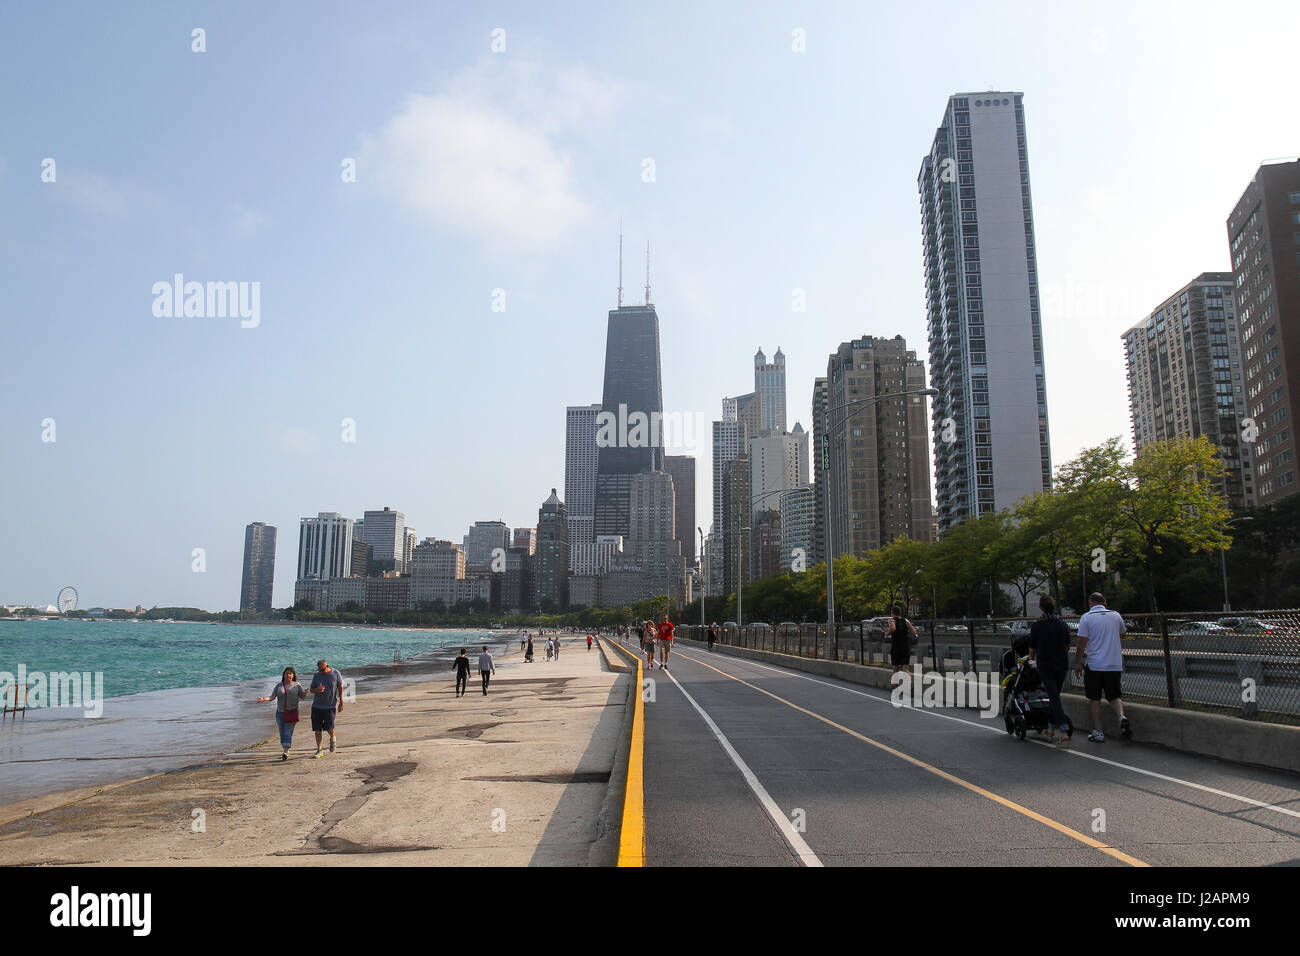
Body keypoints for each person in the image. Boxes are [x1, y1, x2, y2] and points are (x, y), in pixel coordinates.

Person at [1075, 592, 1130, 743]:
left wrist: (1077, 662)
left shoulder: (1087, 617)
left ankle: (1099, 732)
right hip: (1114, 663)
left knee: (1094, 699)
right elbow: (1123, 634)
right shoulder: (1116, 615)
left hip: (1095, 664)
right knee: (1114, 695)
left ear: (1090, 602)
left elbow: (1081, 641)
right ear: (1104, 602)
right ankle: (1121, 717)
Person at [1028, 596, 1072, 748]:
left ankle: (1064, 732)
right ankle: (1051, 727)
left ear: (1041, 609)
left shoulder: (1037, 626)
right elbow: (1067, 646)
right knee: (1055, 696)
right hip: (1062, 664)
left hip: (1046, 665)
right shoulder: (1062, 625)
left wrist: (1030, 659)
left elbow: (1032, 650)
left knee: (1053, 697)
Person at [257, 666, 307, 761]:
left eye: (290, 674)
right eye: (286, 673)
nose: (288, 675)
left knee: (288, 732)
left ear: (293, 675)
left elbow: (302, 697)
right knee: (282, 733)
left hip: (292, 712)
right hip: (280, 713)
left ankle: (285, 751)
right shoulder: (279, 685)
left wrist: (304, 693)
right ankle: (286, 748)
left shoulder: (297, 685)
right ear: (283, 675)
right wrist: (264, 699)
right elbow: (272, 697)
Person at [307, 659, 344, 758]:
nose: (320, 672)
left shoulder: (336, 673)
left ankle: (332, 738)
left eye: (322, 670)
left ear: (327, 666)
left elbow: (340, 687)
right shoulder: (317, 675)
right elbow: (311, 689)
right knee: (317, 729)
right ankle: (319, 750)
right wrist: (316, 690)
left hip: (330, 706)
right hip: (317, 706)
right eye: (319, 670)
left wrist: (341, 702)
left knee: (329, 727)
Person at [886, 604, 916, 674]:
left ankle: (895, 684)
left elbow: (893, 628)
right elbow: (914, 632)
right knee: (905, 667)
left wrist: (887, 633)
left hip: (896, 647)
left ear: (892, 612)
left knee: (896, 668)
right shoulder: (905, 620)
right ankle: (908, 683)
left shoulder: (892, 620)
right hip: (905, 646)